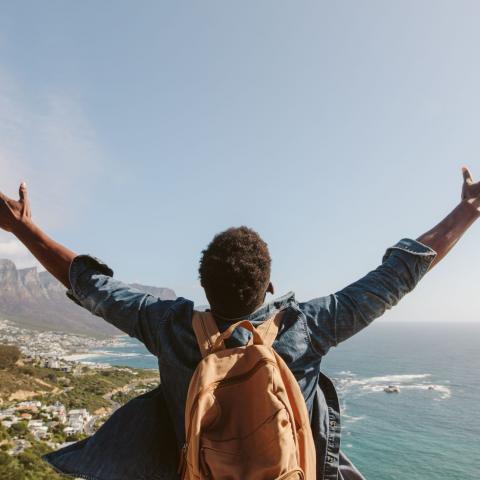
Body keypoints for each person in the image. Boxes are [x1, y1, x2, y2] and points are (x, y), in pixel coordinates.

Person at [0, 166, 479, 480]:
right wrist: (467, 210)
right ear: (269, 287)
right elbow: (396, 275)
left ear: (203, 286)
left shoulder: (167, 325)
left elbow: (90, 286)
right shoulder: (306, 326)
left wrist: (23, 227)